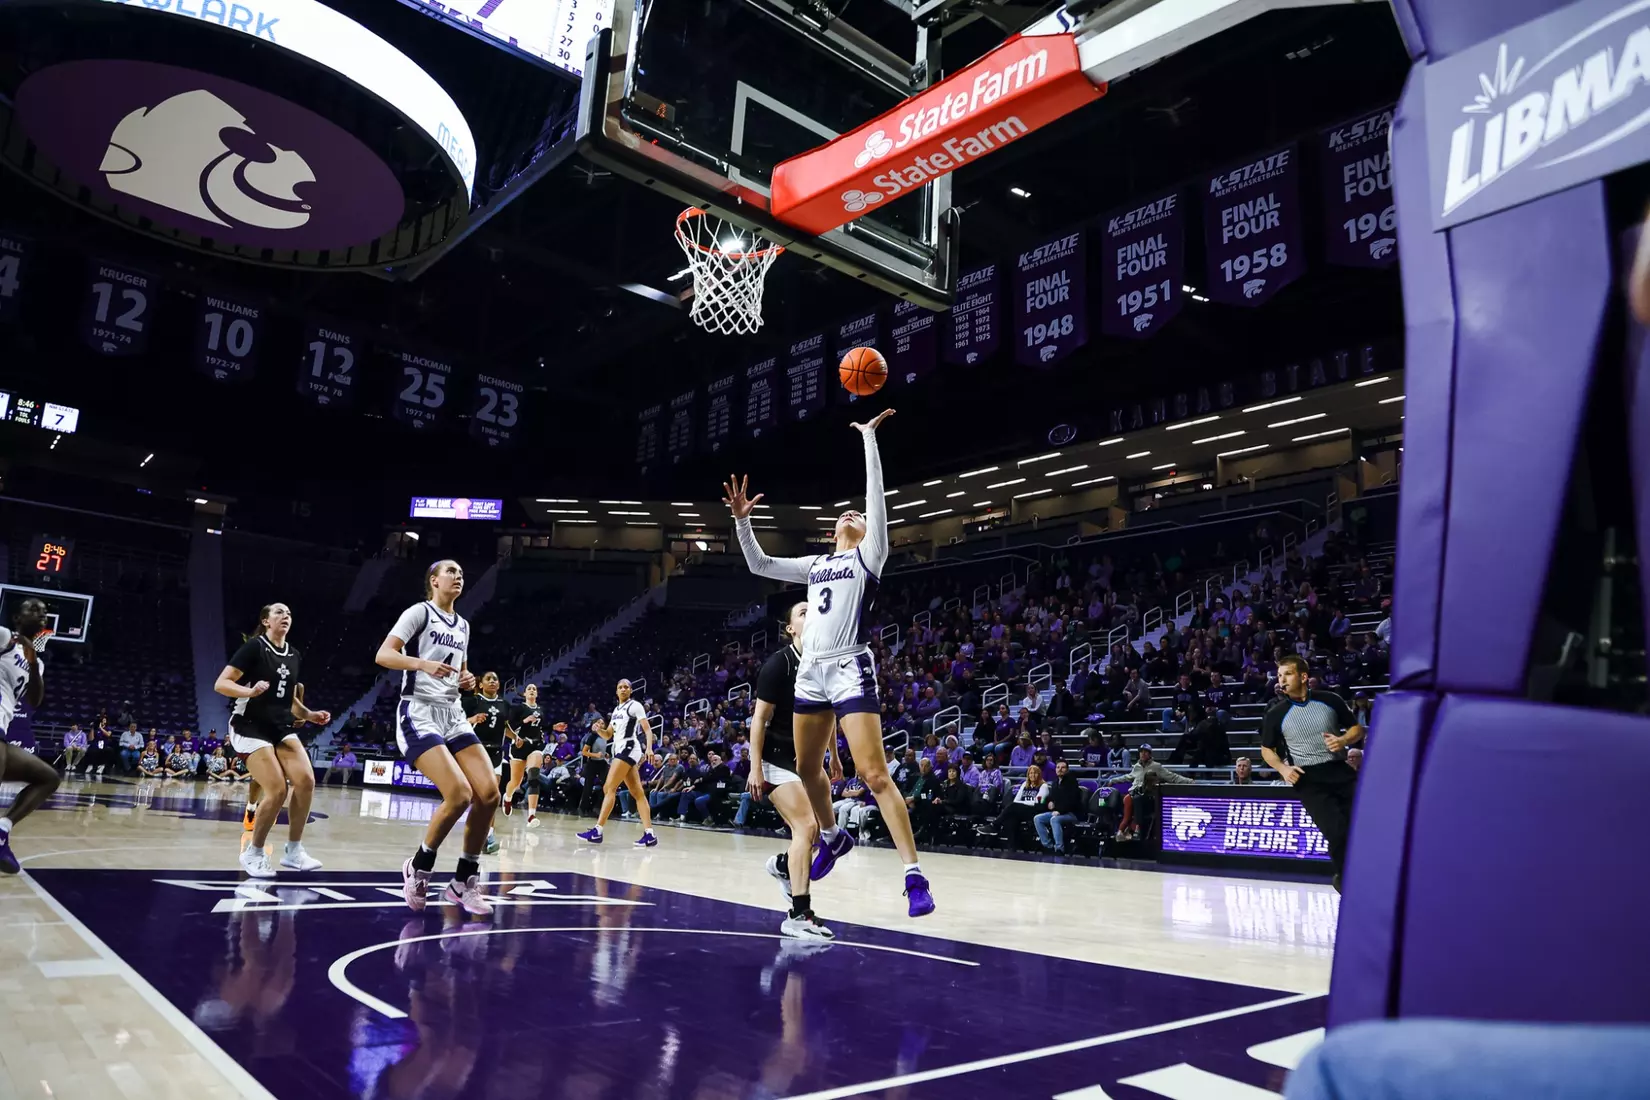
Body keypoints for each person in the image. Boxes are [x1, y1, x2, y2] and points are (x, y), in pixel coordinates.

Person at [725, 408, 935, 917]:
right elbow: (758, 564)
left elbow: (876, 503)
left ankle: (914, 876)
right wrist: (742, 521)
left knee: (874, 774)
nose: (850, 515)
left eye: (857, 517)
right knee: (805, 767)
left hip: (847, 666)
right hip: (810, 671)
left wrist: (868, 441)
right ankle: (835, 837)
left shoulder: (869, 558)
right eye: (845, 514)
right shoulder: (817, 565)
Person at [375, 560, 499, 916]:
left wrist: (468, 679)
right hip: (418, 710)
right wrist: (421, 665)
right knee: (459, 794)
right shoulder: (419, 613)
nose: (458, 576)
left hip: (452, 712)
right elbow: (384, 655)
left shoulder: (463, 625)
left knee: (488, 794)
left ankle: (463, 882)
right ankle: (419, 867)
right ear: (433, 580)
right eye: (451, 572)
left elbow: (459, 670)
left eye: (462, 572)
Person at [216, 603, 332, 878]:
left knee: (306, 780)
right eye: (279, 612)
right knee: (277, 788)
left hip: (278, 726)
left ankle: (294, 851)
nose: (286, 616)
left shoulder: (293, 654)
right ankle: (253, 853)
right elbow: (221, 684)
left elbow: (289, 700)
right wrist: (250, 691)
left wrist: (310, 714)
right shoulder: (255, 647)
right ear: (266, 621)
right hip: (249, 725)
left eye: (289, 613)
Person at [747, 600, 838, 940]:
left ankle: (784, 866)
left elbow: (826, 717)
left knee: (815, 833)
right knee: (807, 826)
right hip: (774, 758)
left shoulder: (824, 663)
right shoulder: (779, 664)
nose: (810, 614)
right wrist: (755, 768)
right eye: (802, 612)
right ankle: (799, 914)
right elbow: (759, 720)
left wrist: (834, 755)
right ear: (791, 629)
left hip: (806, 761)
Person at [1260, 654, 1364, 891]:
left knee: (1361, 827)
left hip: (1340, 770)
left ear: (1303, 676)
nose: (1281, 680)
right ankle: (1345, 879)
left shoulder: (1330, 700)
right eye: (1279, 675)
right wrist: (1283, 769)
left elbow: (1357, 729)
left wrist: (1343, 740)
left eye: (1287, 674)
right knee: (1336, 831)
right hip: (1309, 779)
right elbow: (1267, 750)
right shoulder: (1275, 713)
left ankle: (1362, 873)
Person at [0, 599, 61, 873]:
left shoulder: (37, 662)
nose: (39, 613)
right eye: (31, 608)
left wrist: (34, 663)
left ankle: (2, 830)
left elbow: (35, 700)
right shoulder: (3, 637)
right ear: (16, 617)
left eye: (43, 612)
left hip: (2, 733)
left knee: (48, 778)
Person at [578, 680, 658, 846]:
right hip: (620, 748)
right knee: (638, 793)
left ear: (630, 690)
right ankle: (650, 834)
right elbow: (608, 735)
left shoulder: (635, 706)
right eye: (620, 687)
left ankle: (598, 830)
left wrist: (649, 748)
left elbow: (647, 729)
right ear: (616, 691)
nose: (623, 689)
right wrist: (598, 730)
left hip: (629, 747)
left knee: (609, 787)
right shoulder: (615, 711)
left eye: (626, 687)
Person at [502, 682, 548, 827]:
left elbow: (543, 727)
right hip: (519, 745)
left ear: (537, 694)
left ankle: (531, 815)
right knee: (515, 782)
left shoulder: (541, 709)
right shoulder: (518, 708)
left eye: (535, 689)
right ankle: (507, 797)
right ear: (525, 694)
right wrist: (525, 721)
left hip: (535, 745)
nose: (532, 690)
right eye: (529, 689)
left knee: (534, 775)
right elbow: (509, 726)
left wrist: (553, 727)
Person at [1034, 759, 1084, 852]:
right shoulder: (1055, 782)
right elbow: (1051, 797)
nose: (1060, 769)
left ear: (1067, 770)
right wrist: (1050, 802)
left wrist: (1060, 811)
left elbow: (1072, 802)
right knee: (1038, 818)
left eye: (1063, 767)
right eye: (1058, 767)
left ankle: (1059, 849)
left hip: (1073, 813)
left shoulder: (1072, 782)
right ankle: (1048, 846)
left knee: (1054, 819)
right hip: (1058, 812)